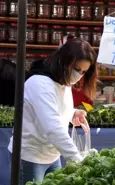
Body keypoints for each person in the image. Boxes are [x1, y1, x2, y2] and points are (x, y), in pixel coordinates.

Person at [7, 38, 98, 185]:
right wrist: (76, 159)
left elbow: (55, 109)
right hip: (30, 157)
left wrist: (72, 113)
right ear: (64, 62)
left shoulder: (64, 82)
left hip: (52, 155)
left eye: (83, 72)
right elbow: (52, 127)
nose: (79, 75)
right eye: (77, 69)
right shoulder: (40, 84)